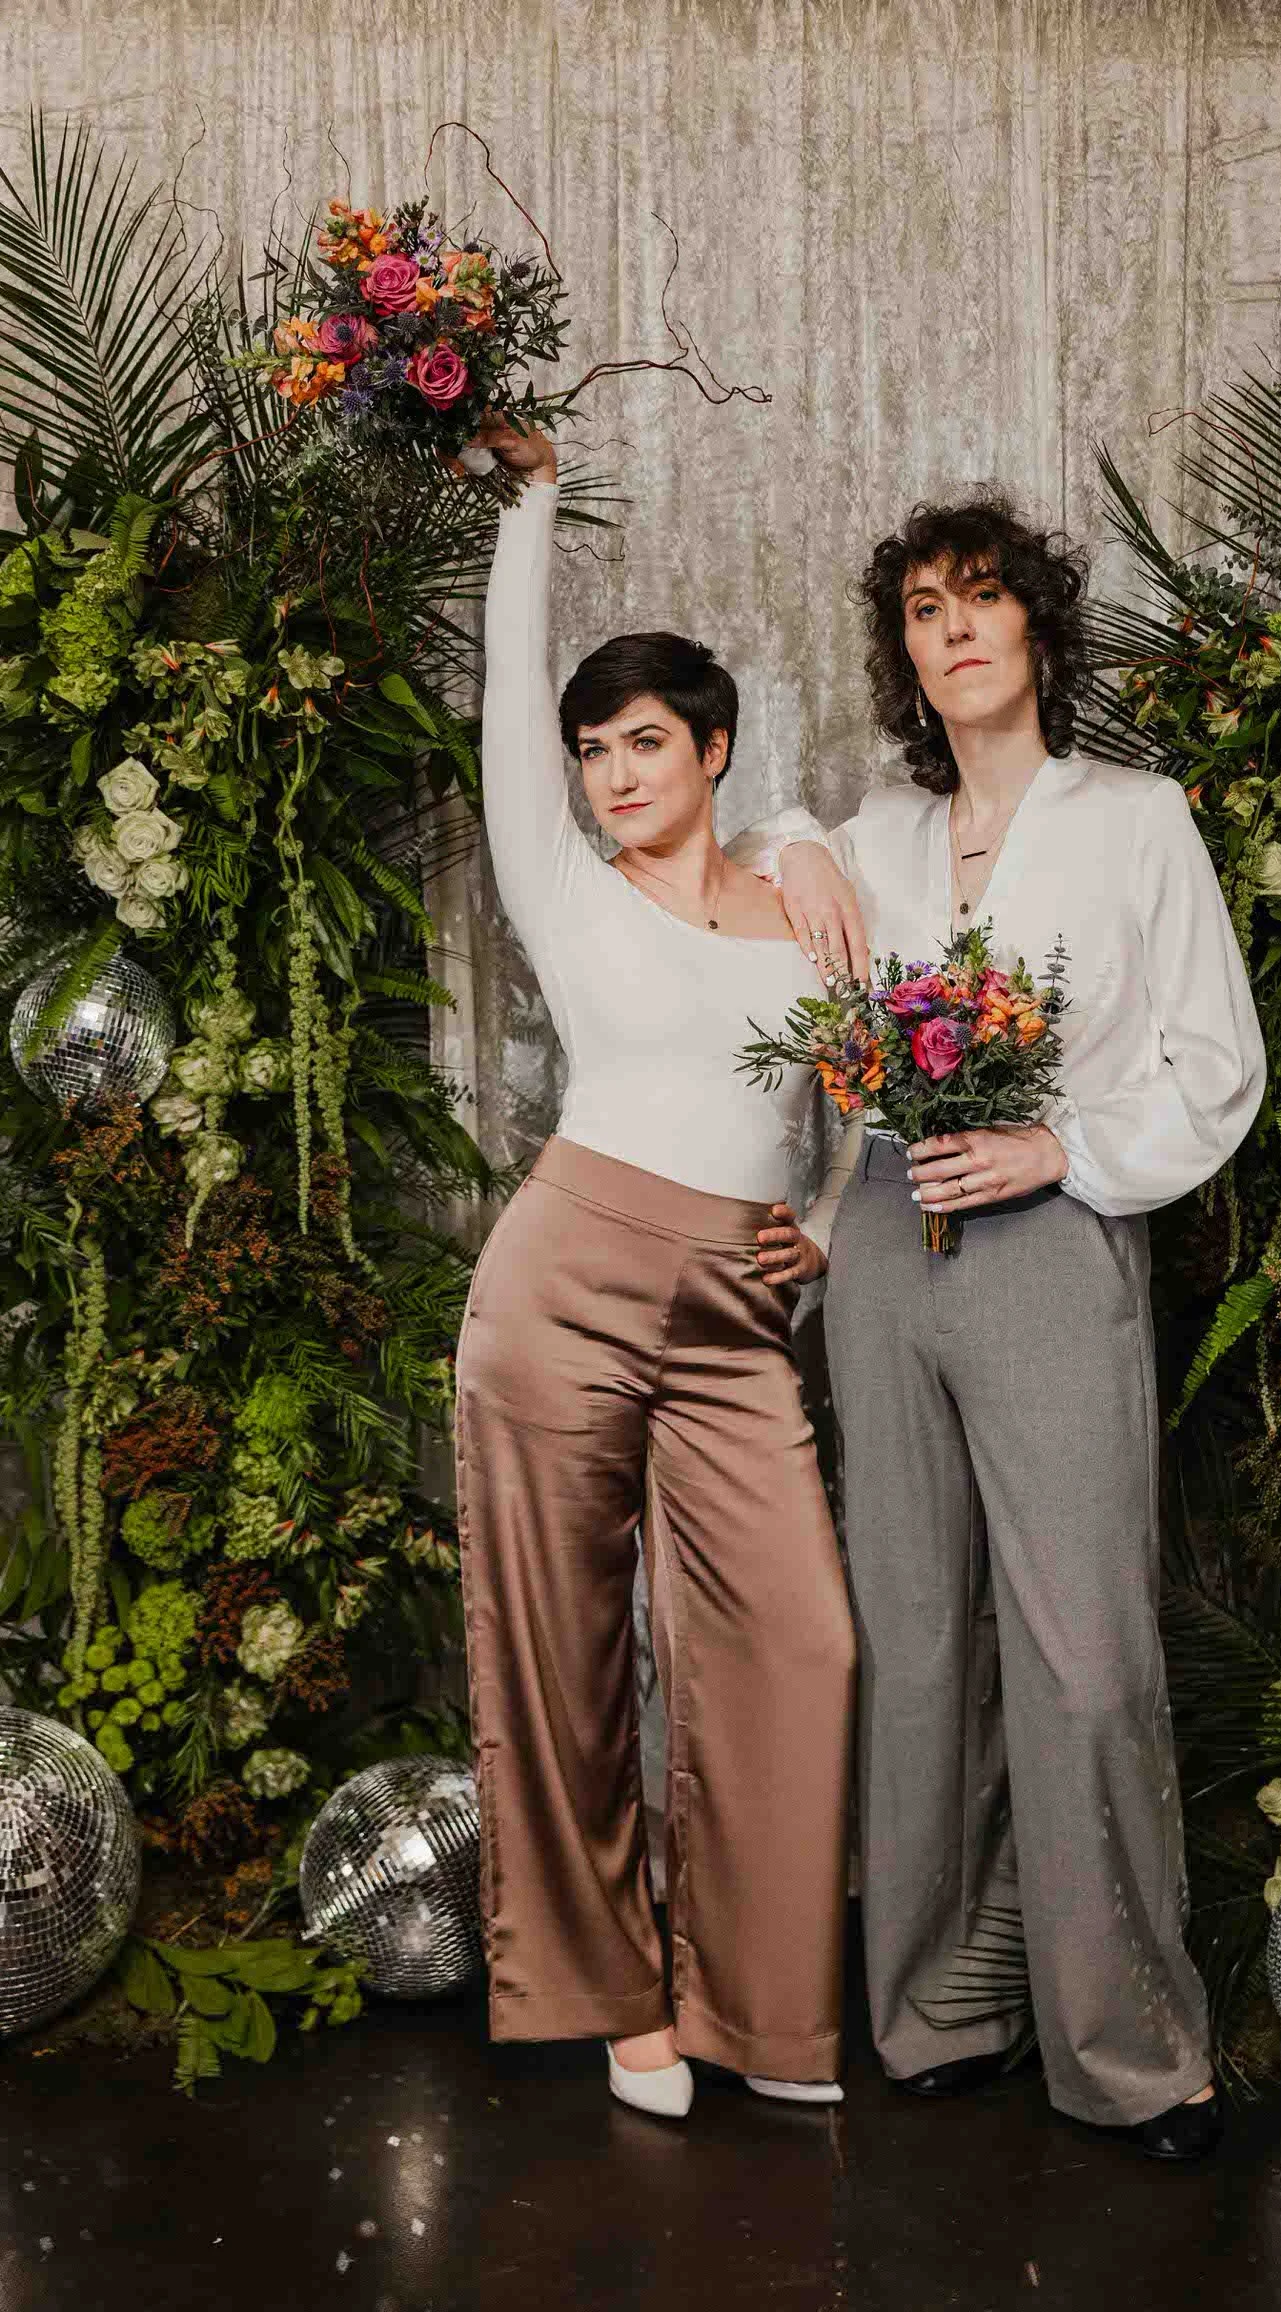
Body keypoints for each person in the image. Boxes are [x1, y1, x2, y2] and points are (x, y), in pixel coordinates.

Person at [731, 491, 1265, 2157]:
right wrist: (790, 844)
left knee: (1084, 1655)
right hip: (889, 1249)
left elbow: (1215, 1063)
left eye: (980, 601)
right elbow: (755, 878)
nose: (951, 630)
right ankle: (942, 2008)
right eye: (920, 612)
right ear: (903, 655)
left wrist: (1064, 1149)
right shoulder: (878, 834)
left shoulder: (1135, 818)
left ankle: (1127, 2048)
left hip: (1054, 1235)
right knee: (912, 1630)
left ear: (1036, 625)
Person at [455, 412, 854, 2120]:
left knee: (800, 1639)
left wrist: (825, 1234)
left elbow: (858, 1118)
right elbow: (503, 689)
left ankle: (763, 2010)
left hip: (738, 1311)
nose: (614, 776)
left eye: (642, 744)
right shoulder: (563, 887)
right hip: (563, 1280)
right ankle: (616, 1996)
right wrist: (533, 502)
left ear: (708, 750)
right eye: (593, 750)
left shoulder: (805, 901)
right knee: (558, 1644)